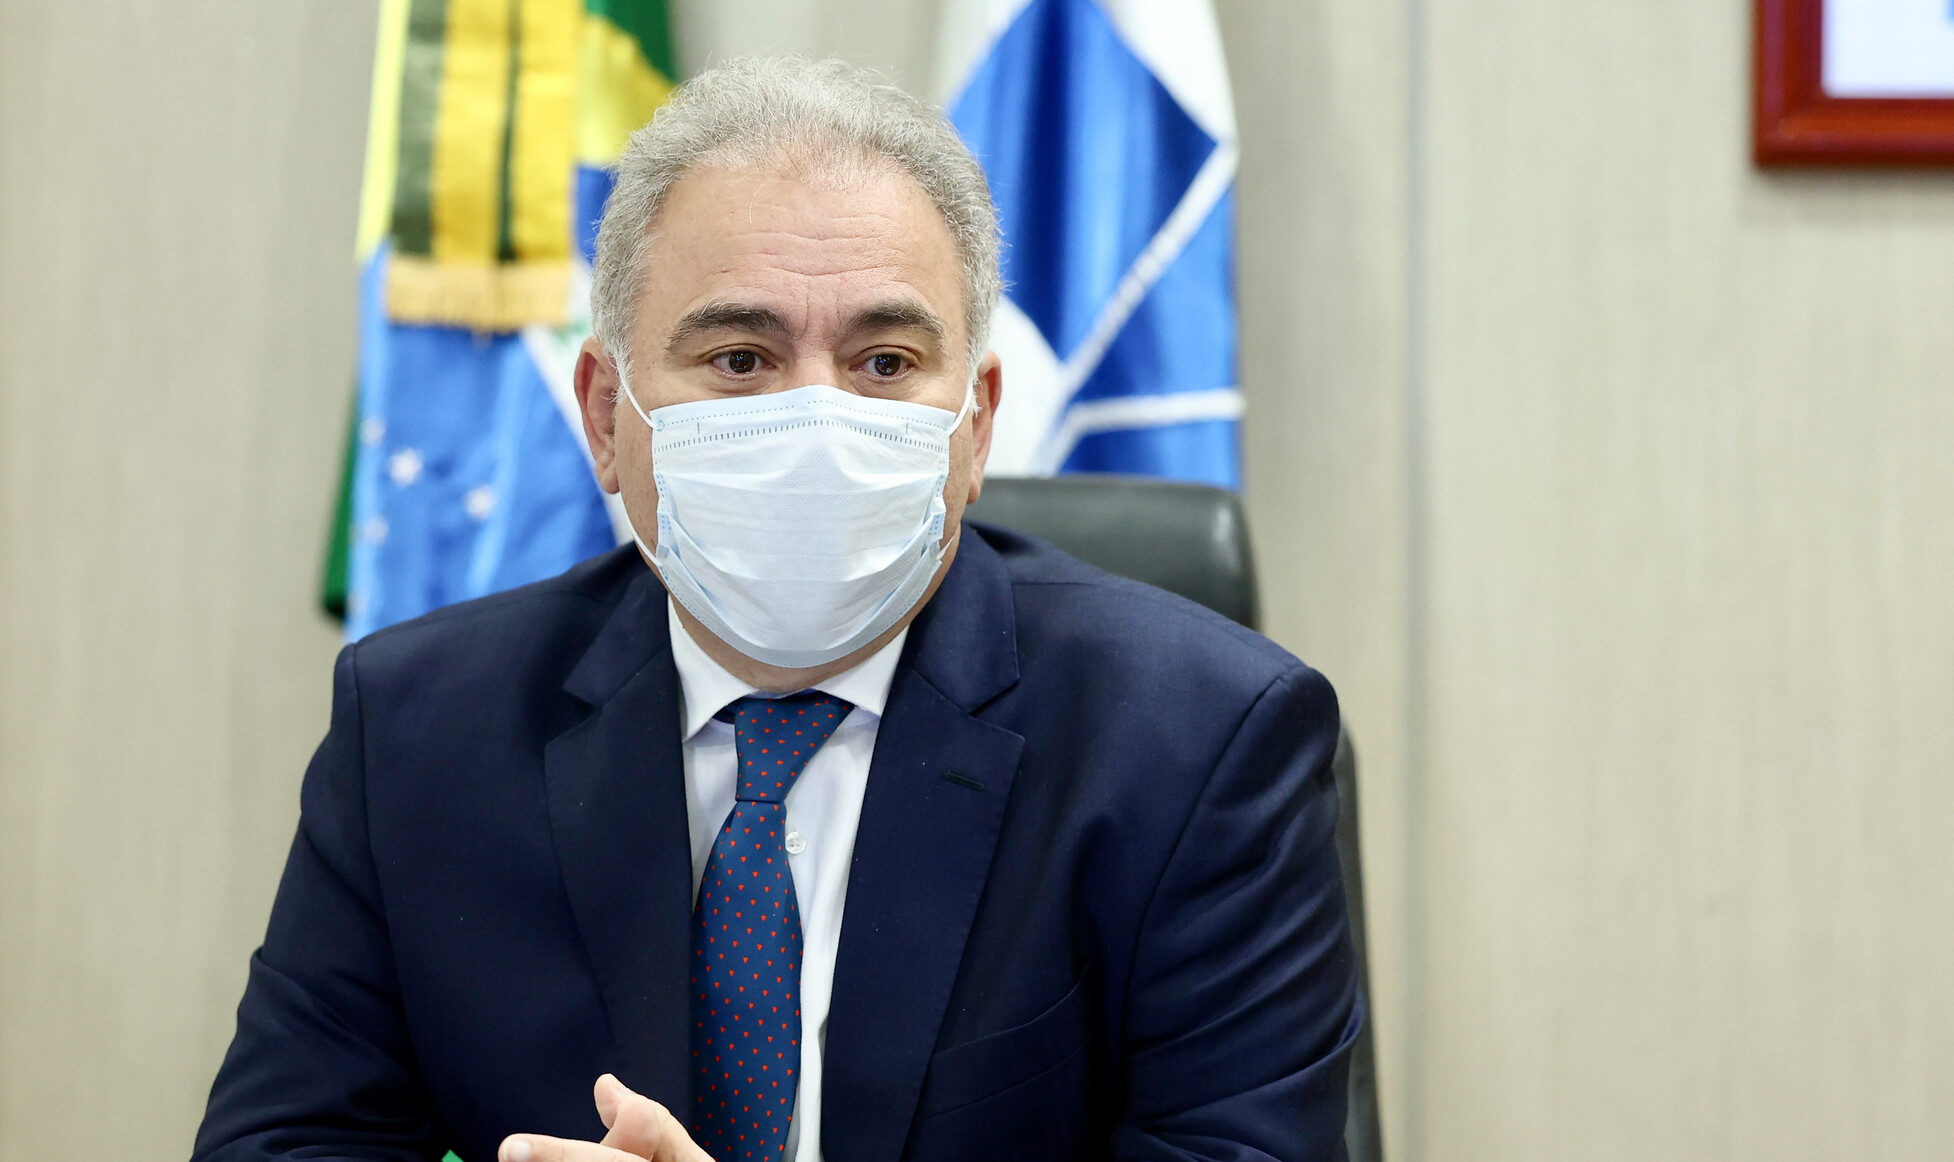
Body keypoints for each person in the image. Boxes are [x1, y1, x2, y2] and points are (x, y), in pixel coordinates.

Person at [194, 55, 1362, 1162]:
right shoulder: (418, 730)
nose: (816, 423)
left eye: (885, 362)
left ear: (976, 425)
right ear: (604, 417)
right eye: (741, 360)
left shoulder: (1198, 747)